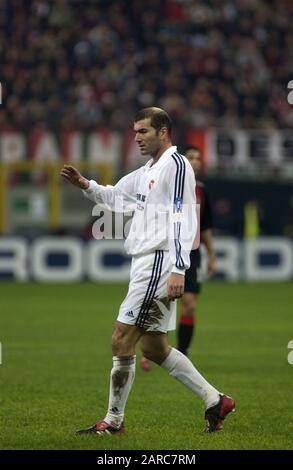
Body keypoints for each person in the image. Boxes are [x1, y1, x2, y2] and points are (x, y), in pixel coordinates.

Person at [60, 107, 235, 435]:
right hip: (146, 262)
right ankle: (215, 400)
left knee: (120, 338)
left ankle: (113, 422)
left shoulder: (177, 165)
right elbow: (115, 197)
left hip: (159, 261)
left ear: (163, 132)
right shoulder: (146, 171)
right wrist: (86, 184)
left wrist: (180, 267)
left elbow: (183, 216)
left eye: (143, 131)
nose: (137, 137)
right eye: (135, 131)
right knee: (154, 348)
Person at [140, 144, 216, 371]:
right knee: (157, 302)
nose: (195, 161)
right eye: (190, 157)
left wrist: (211, 255)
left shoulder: (202, 190)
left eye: (198, 157)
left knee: (189, 305)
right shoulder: (169, 182)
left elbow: (205, 227)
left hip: (191, 253)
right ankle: (150, 349)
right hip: (166, 250)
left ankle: (182, 353)